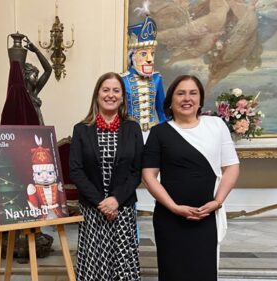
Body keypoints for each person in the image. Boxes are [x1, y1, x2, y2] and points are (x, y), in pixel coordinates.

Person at [142, 75, 240, 281]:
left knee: (203, 273)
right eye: (181, 93)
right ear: (170, 100)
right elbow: (148, 176)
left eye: (193, 93)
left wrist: (217, 202)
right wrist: (173, 207)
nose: (187, 98)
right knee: (173, 273)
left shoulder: (216, 126)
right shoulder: (159, 132)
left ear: (200, 99)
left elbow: (232, 167)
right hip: (170, 218)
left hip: (206, 217)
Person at [69, 72, 143, 280]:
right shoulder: (81, 129)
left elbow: (137, 170)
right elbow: (76, 170)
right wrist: (101, 202)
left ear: (122, 97)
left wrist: (115, 200)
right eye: (106, 90)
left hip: (123, 207)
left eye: (116, 90)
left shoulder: (132, 128)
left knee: (122, 266)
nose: (111, 95)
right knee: (94, 266)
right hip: (93, 209)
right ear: (97, 94)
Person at [121, 6, 166, 138]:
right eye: (144, 54)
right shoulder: (122, 80)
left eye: (152, 53)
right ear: (132, 55)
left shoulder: (157, 79)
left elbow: (162, 112)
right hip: (129, 135)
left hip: (152, 135)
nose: (150, 59)